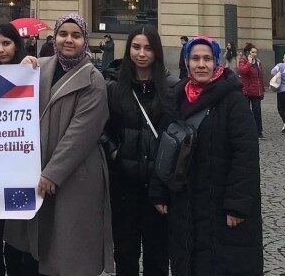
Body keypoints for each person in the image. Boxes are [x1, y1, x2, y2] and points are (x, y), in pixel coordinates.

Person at [5, 13, 114, 276]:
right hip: (35, 169)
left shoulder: (93, 79)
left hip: (74, 175)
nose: (68, 40)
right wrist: (19, 71)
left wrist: (53, 172)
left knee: (66, 248)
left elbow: (81, 133)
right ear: (54, 38)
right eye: (63, 34)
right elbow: (10, 105)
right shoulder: (38, 67)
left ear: (85, 41)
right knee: (32, 245)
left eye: (76, 36)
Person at [151, 36, 263, 276]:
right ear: (186, 62)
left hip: (220, 203)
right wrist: (159, 190)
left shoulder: (233, 99)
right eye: (195, 59)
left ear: (216, 62)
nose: (201, 64)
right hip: (185, 201)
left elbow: (246, 154)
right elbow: (165, 147)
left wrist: (237, 204)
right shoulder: (177, 96)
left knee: (219, 264)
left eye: (207, 59)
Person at [102, 25, 170, 275]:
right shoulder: (113, 88)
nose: (142, 53)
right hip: (124, 185)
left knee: (158, 256)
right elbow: (100, 128)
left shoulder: (170, 88)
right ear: (128, 49)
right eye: (136, 47)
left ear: (157, 52)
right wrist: (115, 153)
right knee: (125, 254)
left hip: (157, 187)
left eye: (148, 48)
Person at [0, 24, 40, 276]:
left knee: (18, 241)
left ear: (16, 44)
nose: (1, 49)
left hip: (19, 170)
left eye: (6, 43)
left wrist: (33, 67)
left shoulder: (30, 71)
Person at [236, 44, 265, 139]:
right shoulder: (243, 61)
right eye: (253, 52)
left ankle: (259, 132)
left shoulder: (258, 62)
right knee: (245, 112)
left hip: (256, 91)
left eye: (256, 52)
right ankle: (244, 131)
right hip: (246, 91)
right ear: (248, 52)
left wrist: (262, 90)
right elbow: (242, 71)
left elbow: (260, 77)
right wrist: (249, 62)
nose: (255, 54)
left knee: (257, 111)